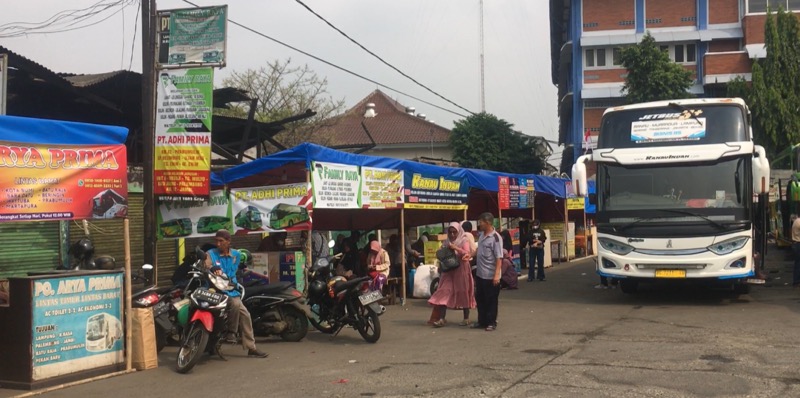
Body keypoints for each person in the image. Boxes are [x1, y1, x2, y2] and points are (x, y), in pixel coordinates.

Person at [205, 230, 268, 358]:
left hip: (232, 289)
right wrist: (212, 268)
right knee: (234, 304)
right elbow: (206, 264)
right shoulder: (211, 254)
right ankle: (230, 333)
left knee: (245, 315)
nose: (218, 244)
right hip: (216, 290)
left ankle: (251, 347)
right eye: (216, 241)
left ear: (228, 242)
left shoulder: (235, 255)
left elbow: (237, 269)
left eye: (221, 241)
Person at [426, 222, 477, 327]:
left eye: (455, 232)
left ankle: (466, 318)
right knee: (444, 290)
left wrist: (456, 248)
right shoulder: (446, 242)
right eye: (450, 232)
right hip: (448, 270)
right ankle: (442, 318)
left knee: (463, 291)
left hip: (462, 269)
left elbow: (467, 253)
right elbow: (443, 256)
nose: (452, 235)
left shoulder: (464, 240)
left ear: (459, 232)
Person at [473, 212, 503, 331]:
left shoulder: (495, 238)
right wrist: (470, 254)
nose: (479, 224)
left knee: (491, 300)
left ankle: (491, 322)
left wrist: (496, 275)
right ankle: (482, 321)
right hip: (480, 273)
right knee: (480, 298)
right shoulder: (481, 235)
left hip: (490, 275)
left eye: (481, 222)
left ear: (488, 223)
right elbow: (478, 250)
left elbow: (499, 257)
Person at [792, 214, 800, 288]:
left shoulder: (796, 221)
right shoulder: (799, 222)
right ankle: (796, 281)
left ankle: (796, 281)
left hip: (796, 244)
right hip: (798, 244)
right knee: (798, 264)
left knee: (797, 263)